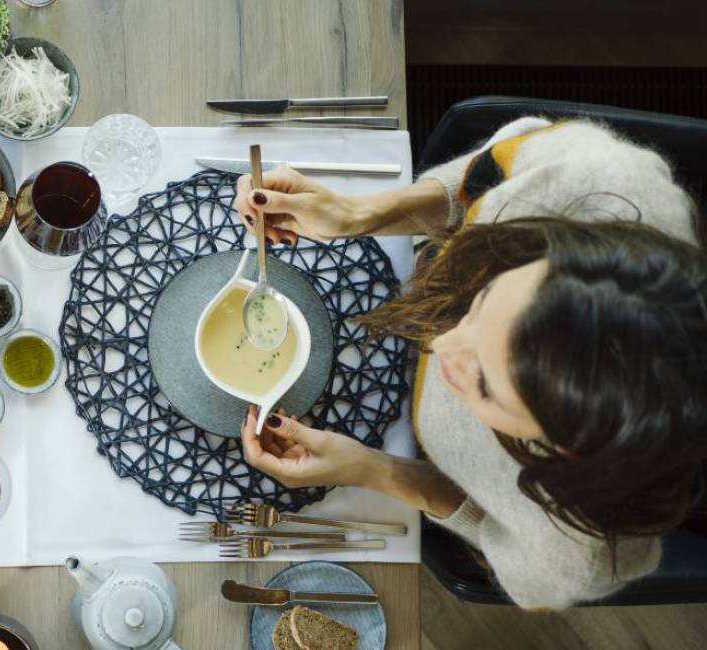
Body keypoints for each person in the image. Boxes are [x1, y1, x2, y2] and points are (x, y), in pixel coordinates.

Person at [234, 117, 707, 610]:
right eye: (484, 301)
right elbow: (486, 175)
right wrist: (356, 213)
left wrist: (374, 472)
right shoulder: (604, 180)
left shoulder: (580, 554)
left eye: (485, 383)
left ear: (567, 455)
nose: (441, 343)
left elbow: (489, 532)